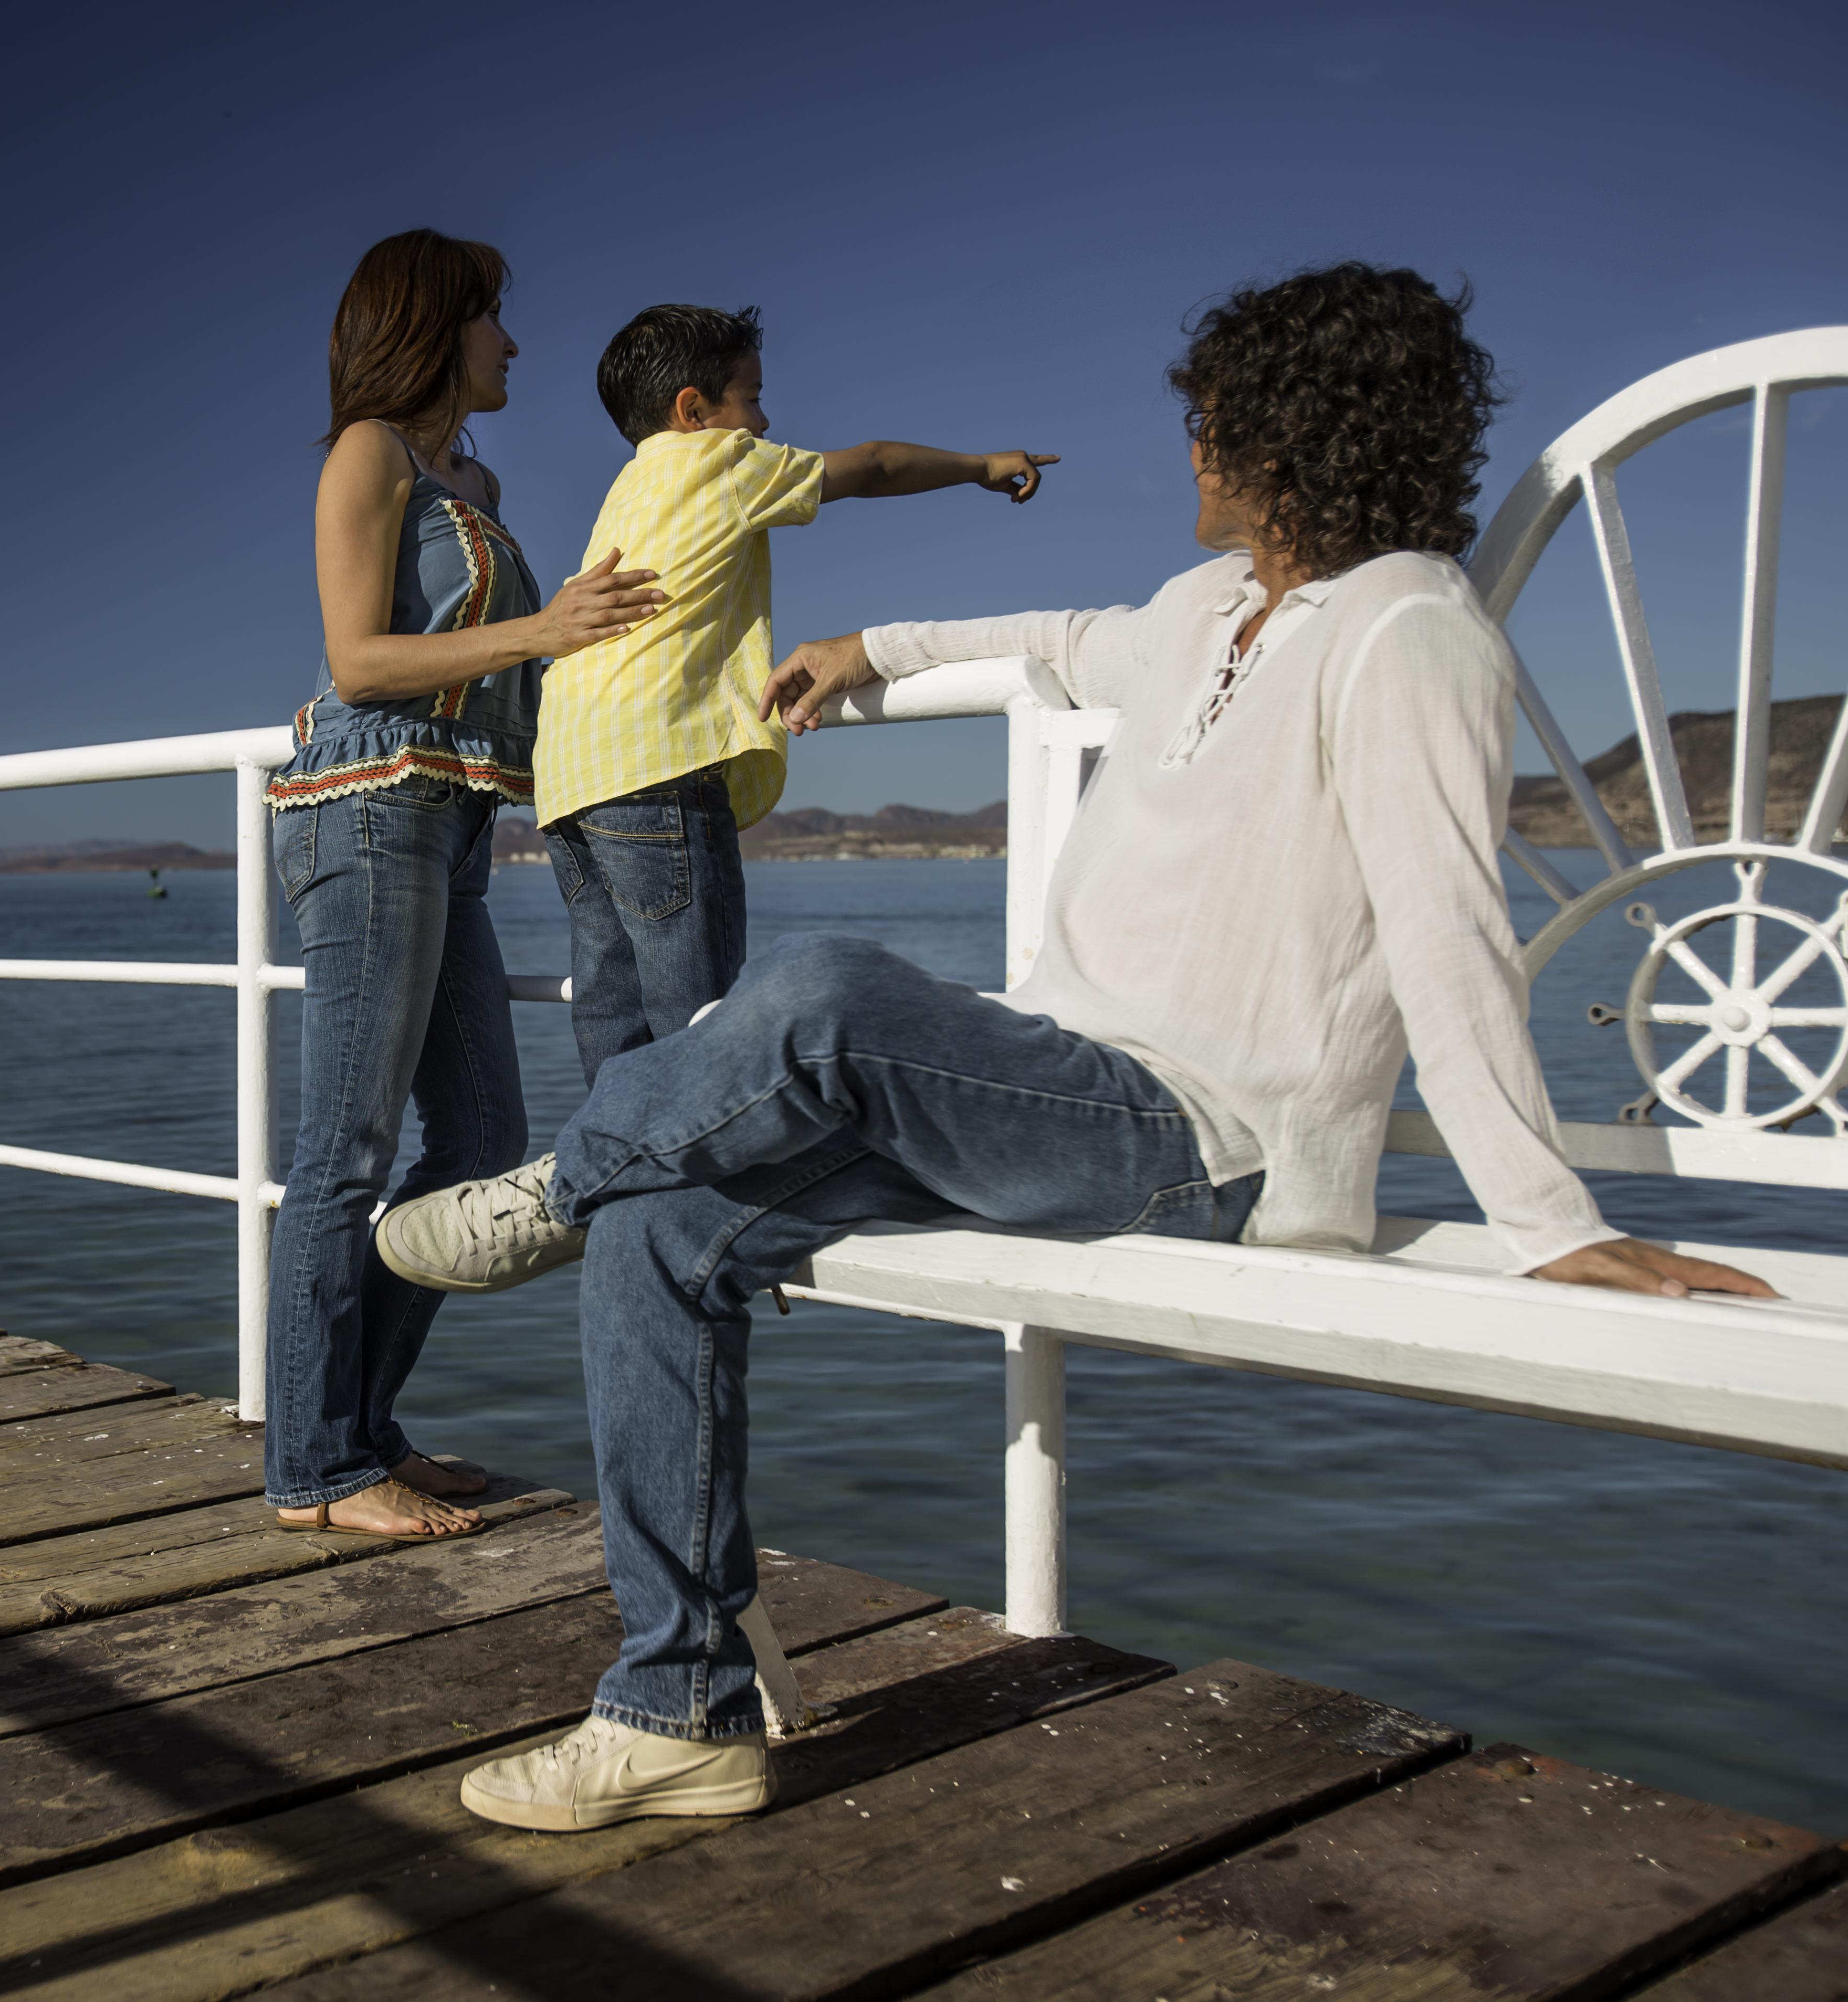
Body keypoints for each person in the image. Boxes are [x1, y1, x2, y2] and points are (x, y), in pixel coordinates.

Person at [376, 263, 1775, 1825]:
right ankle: (679, 1705)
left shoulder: (1409, 632)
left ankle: (558, 1179)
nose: (1188, 454)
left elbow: (1449, 921)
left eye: (1210, 426)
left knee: (825, 981)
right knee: (666, 1226)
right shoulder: (1198, 611)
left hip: (1200, 1136)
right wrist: (868, 647)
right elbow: (1055, 629)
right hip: (1041, 1083)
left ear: (1293, 435)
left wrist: (1551, 1220)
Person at [259, 229, 665, 1541]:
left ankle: (360, 1426)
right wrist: (548, 627)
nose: (511, 342)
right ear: (437, 323)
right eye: (493, 317)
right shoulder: (366, 452)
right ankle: (313, 1466)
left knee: (484, 1137)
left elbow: (510, 674)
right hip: (364, 814)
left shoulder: (468, 476)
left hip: (453, 826)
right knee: (344, 1153)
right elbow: (360, 657)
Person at [530, 303, 1056, 1082]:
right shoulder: (720, 461)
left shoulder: (628, 490)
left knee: (614, 1012)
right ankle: (707, 1193)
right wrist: (981, 465)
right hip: (654, 766)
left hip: (570, 774)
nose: (765, 417)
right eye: (751, 396)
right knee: (700, 1023)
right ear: (693, 409)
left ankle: (616, 1188)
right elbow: (872, 464)